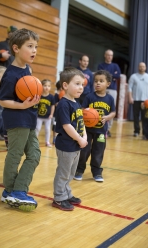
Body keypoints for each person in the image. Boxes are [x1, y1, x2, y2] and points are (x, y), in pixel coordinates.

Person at [0, 28, 41, 211]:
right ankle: (12, 191)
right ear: (16, 48)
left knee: (35, 155)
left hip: (29, 118)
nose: (34, 50)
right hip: (17, 119)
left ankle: (15, 190)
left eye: (36, 47)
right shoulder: (10, 74)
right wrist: (22, 106)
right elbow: (3, 100)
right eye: (29, 46)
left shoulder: (28, 70)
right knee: (15, 155)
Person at [52, 67, 88, 211]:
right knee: (63, 172)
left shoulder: (76, 103)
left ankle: (66, 194)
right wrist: (80, 138)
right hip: (66, 145)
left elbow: (80, 122)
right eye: (77, 84)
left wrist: (84, 135)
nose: (81, 88)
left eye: (82, 85)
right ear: (65, 85)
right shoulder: (63, 104)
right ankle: (59, 198)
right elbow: (67, 126)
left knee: (71, 173)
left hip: (76, 145)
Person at [74, 70, 116, 182]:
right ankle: (79, 170)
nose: (98, 83)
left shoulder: (110, 98)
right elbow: (82, 110)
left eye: (101, 81)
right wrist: (87, 116)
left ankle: (97, 172)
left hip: (101, 131)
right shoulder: (89, 97)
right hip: (87, 130)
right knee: (84, 151)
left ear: (108, 84)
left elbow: (113, 112)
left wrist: (107, 117)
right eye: (96, 81)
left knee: (98, 152)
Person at [0, 26, 18, 141]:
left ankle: (2, 132)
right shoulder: (1, 45)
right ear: (8, 33)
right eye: (12, 32)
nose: (13, 34)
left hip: (11, 81)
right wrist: (1, 56)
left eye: (15, 32)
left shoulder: (16, 48)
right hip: (0, 80)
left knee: (6, 108)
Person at [98, 49, 121, 137]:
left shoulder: (115, 66)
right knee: (101, 107)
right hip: (102, 89)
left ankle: (108, 129)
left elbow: (118, 76)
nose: (109, 57)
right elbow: (101, 75)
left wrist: (107, 75)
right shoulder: (100, 65)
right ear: (105, 55)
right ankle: (100, 126)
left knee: (111, 109)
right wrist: (112, 76)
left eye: (111, 55)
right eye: (108, 55)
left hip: (112, 90)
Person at [128, 62, 148, 137]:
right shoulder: (133, 76)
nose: (142, 68)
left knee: (145, 117)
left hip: (145, 101)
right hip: (136, 99)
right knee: (136, 116)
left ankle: (144, 132)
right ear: (138, 67)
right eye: (140, 66)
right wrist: (130, 97)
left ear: (145, 67)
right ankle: (136, 131)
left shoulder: (147, 76)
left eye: (143, 66)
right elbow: (129, 87)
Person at [35, 79, 55, 147]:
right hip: (39, 116)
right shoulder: (39, 95)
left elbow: (53, 106)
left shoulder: (51, 97)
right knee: (37, 128)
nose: (47, 87)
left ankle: (47, 142)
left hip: (48, 116)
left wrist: (51, 114)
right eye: (45, 85)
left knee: (47, 129)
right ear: (41, 86)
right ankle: (34, 141)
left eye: (49, 86)